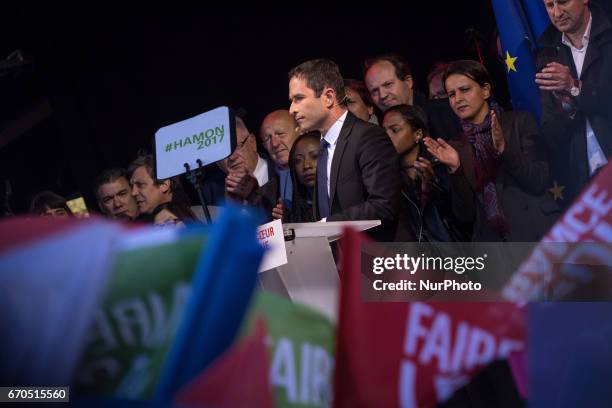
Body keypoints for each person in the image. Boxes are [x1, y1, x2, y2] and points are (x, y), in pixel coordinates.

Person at [425, 60, 560, 242]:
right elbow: (465, 215)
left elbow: (538, 180)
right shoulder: (455, 146)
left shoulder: (518, 122)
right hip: (497, 247)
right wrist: (455, 170)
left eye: (465, 90)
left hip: (537, 233)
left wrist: (505, 149)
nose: (457, 99)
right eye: (451, 94)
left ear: (485, 90)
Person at [288, 59, 400, 240]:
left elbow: (383, 206)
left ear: (329, 98)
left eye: (299, 98)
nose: (292, 109)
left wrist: (324, 227)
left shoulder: (368, 137)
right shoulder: (323, 146)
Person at [535, 0, 612, 204]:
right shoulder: (546, 56)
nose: (557, 13)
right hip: (587, 187)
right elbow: (550, 134)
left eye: (562, 2)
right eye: (550, 5)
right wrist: (567, 107)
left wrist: (574, 86)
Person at [382, 104, 469, 242]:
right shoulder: (388, 178)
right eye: (384, 131)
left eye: (394, 130)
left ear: (418, 134)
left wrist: (431, 187)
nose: (386, 137)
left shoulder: (440, 166)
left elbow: (464, 215)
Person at [363, 53, 461, 141]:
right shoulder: (380, 134)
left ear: (408, 82)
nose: (382, 95)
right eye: (375, 91)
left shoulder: (446, 112)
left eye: (388, 84)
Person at [268, 131, 320, 223]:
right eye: (298, 161)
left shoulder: (345, 203)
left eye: (315, 156)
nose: (306, 165)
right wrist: (286, 224)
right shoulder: (290, 209)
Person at [256, 110, 299, 215]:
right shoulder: (264, 192)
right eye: (267, 139)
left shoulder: (321, 173)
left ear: (300, 131)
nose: (274, 144)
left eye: (280, 134)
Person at [128, 155, 175, 220]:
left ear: (164, 185)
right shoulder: (140, 227)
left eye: (140, 184)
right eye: (132, 186)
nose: (133, 193)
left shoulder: (189, 221)